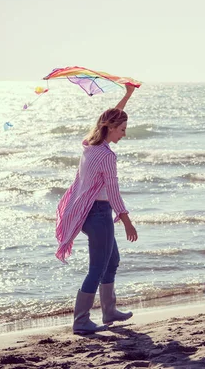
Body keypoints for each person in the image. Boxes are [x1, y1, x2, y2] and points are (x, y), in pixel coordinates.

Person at [55, 84, 139, 335]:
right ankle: (81, 321)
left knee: (112, 261)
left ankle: (109, 311)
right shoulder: (106, 156)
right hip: (99, 214)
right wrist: (127, 222)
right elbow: (113, 193)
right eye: (122, 130)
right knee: (98, 267)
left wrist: (127, 95)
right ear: (110, 129)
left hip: (87, 212)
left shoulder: (90, 144)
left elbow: (107, 118)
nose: (124, 134)